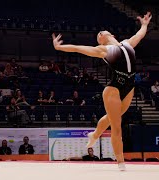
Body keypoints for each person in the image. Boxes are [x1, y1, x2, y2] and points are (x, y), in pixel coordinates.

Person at [52, 11, 152, 170]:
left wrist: (145, 25)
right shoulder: (103, 50)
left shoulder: (127, 43)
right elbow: (79, 49)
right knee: (116, 126)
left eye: (101, 33)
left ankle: (95, 135)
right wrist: (59, 47)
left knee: (113, 118)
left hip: (129, 88)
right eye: (98, 36)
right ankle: (121, 163)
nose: (99, 34)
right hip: (114, 89)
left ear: (110, 34)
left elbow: (140, 35)